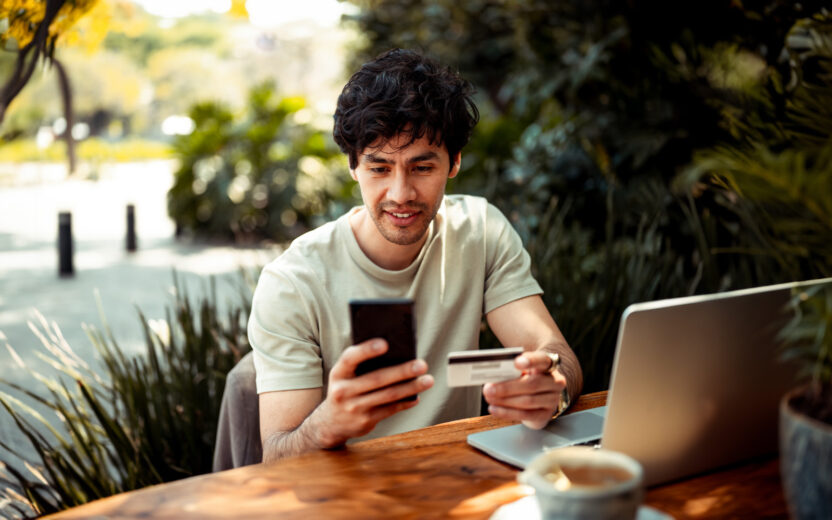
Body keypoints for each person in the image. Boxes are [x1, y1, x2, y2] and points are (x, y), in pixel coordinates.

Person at [249, 49, 583, 463]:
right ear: (353, 165)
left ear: (454, 161)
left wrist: (554, 387)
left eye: (422, 168)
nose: (401, 194)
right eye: (379, 168)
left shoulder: (480, 231)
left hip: (457, 479)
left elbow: (555, 351)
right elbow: (277, 456)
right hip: (345, 495)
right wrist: (327, 423)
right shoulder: (293, 282)